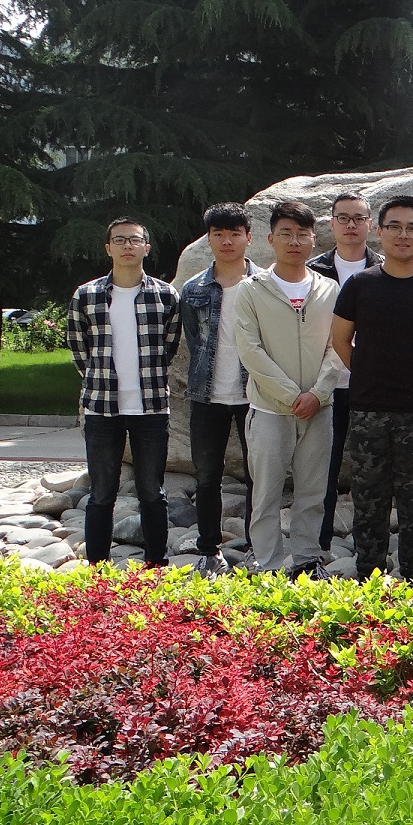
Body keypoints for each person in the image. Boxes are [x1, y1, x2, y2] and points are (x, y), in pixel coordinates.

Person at [330, 196, 413, 582]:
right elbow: (340, 340)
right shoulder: (360, 284)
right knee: (369, 499)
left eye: (412, 228)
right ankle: (369, 577)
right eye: (395, 227)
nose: (403, 235)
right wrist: (368, 372)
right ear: (379, 232)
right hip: (368, 409)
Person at [233, 201, 343, 581]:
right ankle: (267, 564)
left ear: (313, 239)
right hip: (269, 409)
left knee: (313, 491)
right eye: (286, 234)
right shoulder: (251, 290)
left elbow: (338, 346)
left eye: (302, 234)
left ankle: (307, 560)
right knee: (265, 492)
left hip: (319, 407)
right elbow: (250, 350)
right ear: (270, 239)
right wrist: (290, 396)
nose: (294, 241)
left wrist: (318, 393)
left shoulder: (328, 289)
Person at [67, 216, 183, 569]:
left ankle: (156, 564)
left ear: (146, 248)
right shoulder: (86, 295)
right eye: (119, 240)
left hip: (151, 408)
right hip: (102, 409)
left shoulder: (165, 295)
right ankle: (98, 569)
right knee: (102, 493)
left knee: (152, 492)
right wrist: (98, 380)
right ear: (108, 248)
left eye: (134, 240)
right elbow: (78, 348)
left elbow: (169, 345)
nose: (127, 246)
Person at [179, 202, 261, 577]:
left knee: (258, 474)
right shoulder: (194, 288)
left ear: (248, 237)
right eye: (219, 234)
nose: (227, 241)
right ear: (209, 238)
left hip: (255, 395)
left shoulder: (264, 284)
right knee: (207, 475)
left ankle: (257, 547)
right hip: (206, 396)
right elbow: (194, 340)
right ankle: (210, 550)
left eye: (234, 233)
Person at [308, 192, 382, 553]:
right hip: (325, 385)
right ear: (331, 223)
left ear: (370, 224)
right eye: (343, 218)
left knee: (372, 466)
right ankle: (319, 541)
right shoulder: (313, 271)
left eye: (358, 218)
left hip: (373, 385)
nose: (351, 225)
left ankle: (370, 543)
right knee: (324, 464)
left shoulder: (384, 268)